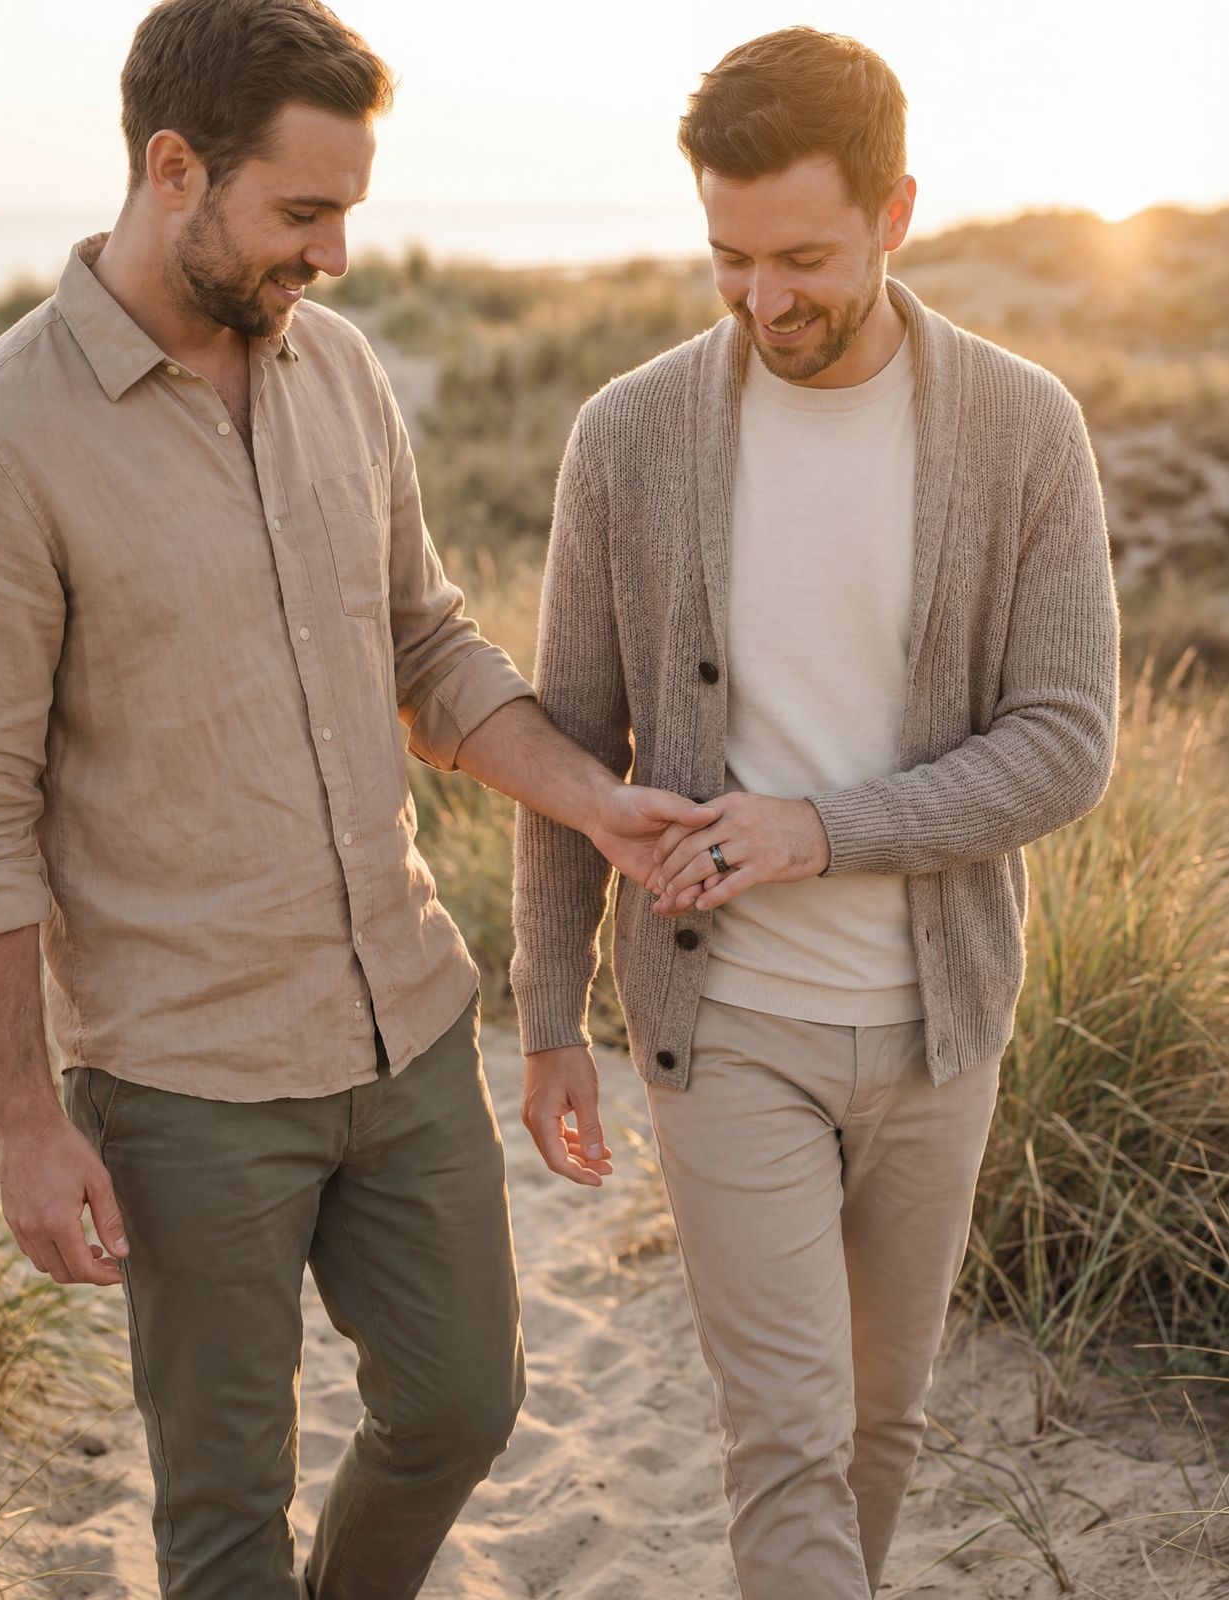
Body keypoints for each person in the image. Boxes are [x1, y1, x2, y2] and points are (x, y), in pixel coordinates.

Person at [0, 3, 717, 1597]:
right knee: (221, 1517)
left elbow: (426, 643)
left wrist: (591, 798)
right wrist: (25, 1117)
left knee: (462, 1405)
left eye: (350, 207)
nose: (341, 255)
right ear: (174, 169)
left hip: (408, 1021)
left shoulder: (339, 369)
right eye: (303, 211)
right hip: (183, 1078)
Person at [514, 25, 1119, 1598]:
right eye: (728, 257)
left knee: (880, 1428)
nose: (764, 298)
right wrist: (547, 1012)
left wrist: (817, 828)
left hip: (939, 1026)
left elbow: (1063, 745)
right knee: (781, 1438)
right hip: (727, 1031)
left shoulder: (1021, 428)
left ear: (894, 212)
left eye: (801, 257)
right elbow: (572, 740)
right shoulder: (628, 438)